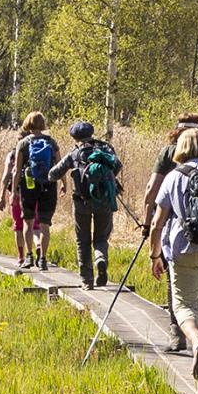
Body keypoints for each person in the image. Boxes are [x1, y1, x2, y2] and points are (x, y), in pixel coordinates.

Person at [150, 128, 198, 381]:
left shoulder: (174, 176)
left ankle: (195, 343)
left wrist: (154, 254)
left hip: (184, 246)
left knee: (183, 304)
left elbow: (157, 222)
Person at [145, 113, 198, 354]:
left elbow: (152, 188)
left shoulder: (169, 153)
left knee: (177, 285)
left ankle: (178, 334)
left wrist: (146, 219)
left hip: (177, 231)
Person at [52, 121, 122, 289]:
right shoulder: (106, 149)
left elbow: (53, 174)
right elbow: (118, 165)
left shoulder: (74, 154)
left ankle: (87, 280)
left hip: (81, 202)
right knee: (101, 237)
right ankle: (101, 259)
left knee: (82, 240)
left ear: (74, 137)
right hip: (104, 201)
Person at [12, 111, 59, 269]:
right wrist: (65, 183)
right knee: (45, 225)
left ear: (28, 124)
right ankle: (43, 259)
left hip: (29, 186)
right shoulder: (51, 142)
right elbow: (59, 165)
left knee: (28, 222)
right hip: (48, 185)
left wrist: (13, 191)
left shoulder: (23, 144)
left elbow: (17, 170)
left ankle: (29, 256)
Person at [0, 129, 31, 266]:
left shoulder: (12, 155)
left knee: (18, 225)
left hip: (16, 193)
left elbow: (6, 176)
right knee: (34, 225)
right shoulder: (34, 152)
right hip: (34, 193)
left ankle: (21, 256)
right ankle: (38, 252)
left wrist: (2, 196)